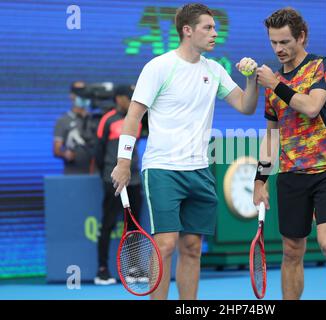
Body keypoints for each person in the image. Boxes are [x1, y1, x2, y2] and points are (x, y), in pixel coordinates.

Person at [110, 3, 259, 299]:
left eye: (215, 28)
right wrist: (123, 162)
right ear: (187, 31)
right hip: (163, 170)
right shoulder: (159, 67)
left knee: (192, 248)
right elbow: (133, 117)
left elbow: (245, 106)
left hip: (200, 171)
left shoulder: (215, 70)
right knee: (165, 246)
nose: (215, 33)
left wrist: (251, 80)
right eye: (209, 28)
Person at [253, 7, 326, 300]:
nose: (278, 49)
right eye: (274, 42)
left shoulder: (322, 65)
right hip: (290, 173)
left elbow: (312, 108)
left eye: (285, 42)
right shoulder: (271, 85)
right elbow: (271, 135)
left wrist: (276, 84)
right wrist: (260, 180)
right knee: (291, 250)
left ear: (302, 36)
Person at [94, 85, 143, 285]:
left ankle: (133, 269)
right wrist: (106, 174)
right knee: (107, 224)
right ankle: (102, 270)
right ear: (119, 98)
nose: (131, 101)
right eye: (128, 97)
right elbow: (98, 151)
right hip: (112, 180)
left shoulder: (139, 118)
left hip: (134, 180)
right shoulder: (107, 119)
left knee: (134, 225)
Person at [53, 81, 95, 174]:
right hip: (73, 174)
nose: (82, 95)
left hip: (95, 174)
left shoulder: (95, 119)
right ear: (71, 96)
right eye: (79, 92)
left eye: (84, 91)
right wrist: (65, 154)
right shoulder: (63, 120)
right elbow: (56, 150)